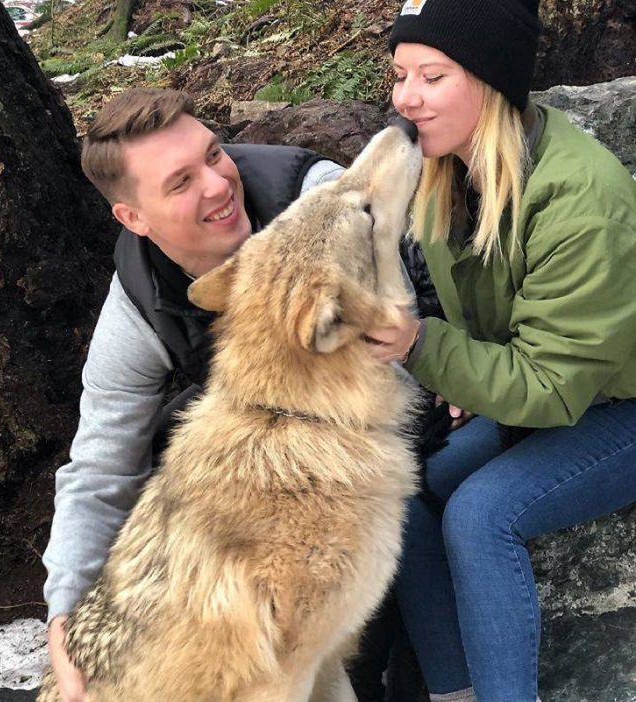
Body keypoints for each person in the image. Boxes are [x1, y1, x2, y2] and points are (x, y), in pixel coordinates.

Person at [364, 0, 636, 701]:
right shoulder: (449, 171)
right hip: (557, 398)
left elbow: (550, 384)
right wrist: (463, 369)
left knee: (482, 515)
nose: (406, 98)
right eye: (399, 75)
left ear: (491, 81)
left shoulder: (580, 196)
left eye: (432, 75)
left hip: (615, 405)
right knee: (406, 491)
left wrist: (423, 345)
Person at [41, 87, 348, 701]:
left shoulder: (317, 199)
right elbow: (101, 467)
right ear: (134, 219)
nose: (216, 185)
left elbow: (408, 326)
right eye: (180, 183)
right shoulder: (137, 305)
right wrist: (66, 612)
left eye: (213, 155)